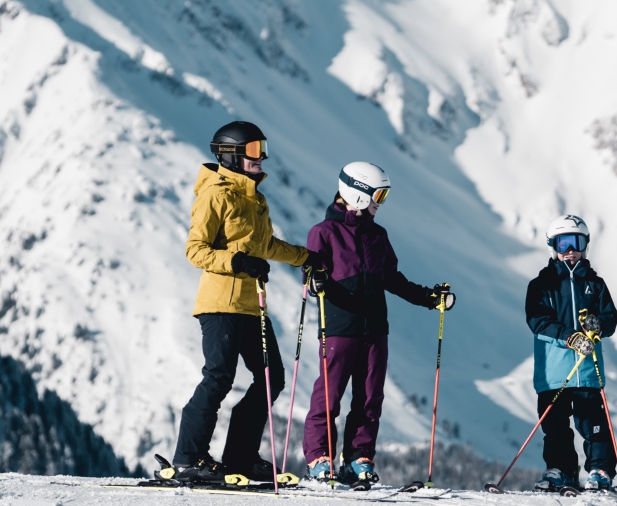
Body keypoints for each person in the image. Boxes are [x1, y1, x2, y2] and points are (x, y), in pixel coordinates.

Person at [171, 120, 316, 483]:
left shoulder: (255, 198)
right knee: (218, 377)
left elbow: (265, 246)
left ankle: (239, 458)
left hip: (253, 305)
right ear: (231, 155)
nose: (262, 157)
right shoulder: (215, 194)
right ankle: (189, 457)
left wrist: (307, 258)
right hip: (220, 303)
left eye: (262, 148)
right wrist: (235, 261)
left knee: (271, 378)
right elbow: (196, 249)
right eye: (254, 150)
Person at [301, 161, 455, 485]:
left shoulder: (377, 235)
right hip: (340, 327)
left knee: (370, 398)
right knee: (329, 395)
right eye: (377, 195)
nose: (379, 203)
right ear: (357, 194)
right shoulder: (324, 233)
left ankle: (358, 458)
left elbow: (392, 279)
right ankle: (319, 458)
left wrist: (430, 298)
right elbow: (312, 273)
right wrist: (315, 281)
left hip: (375, 330)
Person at [527, 214, 617, 492]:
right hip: (554, 372)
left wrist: (597, 325)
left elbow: (610, 318)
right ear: (553, 247)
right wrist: (570, 337)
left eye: (576, 242)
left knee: (594, 424)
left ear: (585, 245)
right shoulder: (541, 285)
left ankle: (600, 470)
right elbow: (537, 320)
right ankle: (561, 470)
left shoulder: (595, 284)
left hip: (588, 371)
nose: (570, 250)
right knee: (555, 426)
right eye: (563, 243)